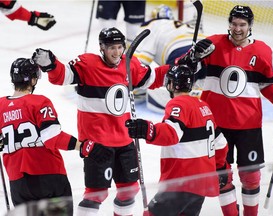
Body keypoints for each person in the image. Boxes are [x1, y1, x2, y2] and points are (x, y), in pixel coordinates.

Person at [31, 27, 170, 216]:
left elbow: (153, 78)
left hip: (125, 141)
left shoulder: (130, 65)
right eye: (112, 47)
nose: (117, 52)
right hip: (97, 143)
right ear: (101, 48)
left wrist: (179, 66)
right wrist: (51, 65)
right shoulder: (87, 64)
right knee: (96, 194)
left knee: (129, 191)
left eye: (120, 47)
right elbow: (63, 76)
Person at [180, 5, 273, 216]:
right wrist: (191, 58)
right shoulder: (213, 44)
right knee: (222, 175)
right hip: (216, 125)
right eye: (233, 23)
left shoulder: (262, 50)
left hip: (249, 125)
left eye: (242, 24)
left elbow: (267, 84)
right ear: (228, 23)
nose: (237, 28)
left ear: (250, 26)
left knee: (251, 176)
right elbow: (182, 70)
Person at [0, 58, 100, 214]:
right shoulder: (39, 103)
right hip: (48, 177)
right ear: (33, 79)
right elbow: (53, 137)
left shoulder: (1, 106)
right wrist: (81, 146)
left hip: (18, 184)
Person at [125, 64, 229, 216]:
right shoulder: (203, 106)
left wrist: (147, 129)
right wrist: (220, 168)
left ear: (171, 84)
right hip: (201, 184)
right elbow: (221, 143)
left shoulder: (178, 104)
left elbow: (172, 134)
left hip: (181, 182)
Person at [133, 4, 206, 112]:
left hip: (180, 52)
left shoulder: (151, 24)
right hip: (206, 51)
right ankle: (198, 93)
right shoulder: (180, 25)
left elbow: (140, 61)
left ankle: (187, 98)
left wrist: (135, 86)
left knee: (154, 95)